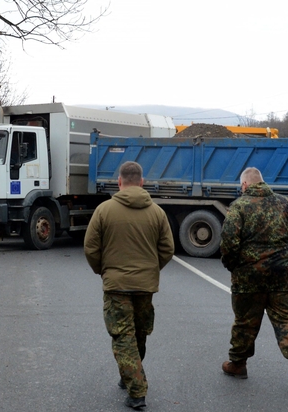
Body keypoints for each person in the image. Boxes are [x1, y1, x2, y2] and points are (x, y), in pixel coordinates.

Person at [84, 161, 175, 410]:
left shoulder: (103, 210)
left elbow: (91, 248)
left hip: (116, 285)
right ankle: (131, 373)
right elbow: (167, 249)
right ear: (142, 182)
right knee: (139, 333)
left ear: (119, 182)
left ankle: (136, 390)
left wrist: (102, 270)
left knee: (123, 336)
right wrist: (151, 270)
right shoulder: (157, 212)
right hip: (145, 285)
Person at [219, 166, 288, 395]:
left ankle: (238, 365)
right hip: (284, 276)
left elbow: (228, 244)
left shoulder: (238, 207)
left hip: (248, 278)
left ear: (244, 185)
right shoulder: (285, 204)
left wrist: (235, 267)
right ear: (262, 182)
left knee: (245, 322)